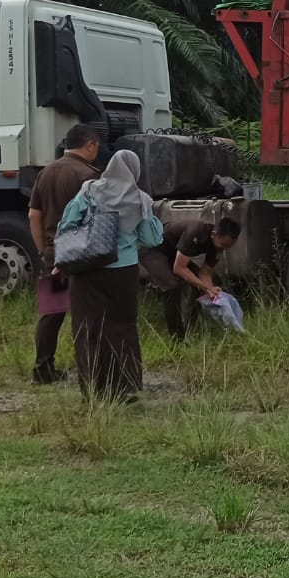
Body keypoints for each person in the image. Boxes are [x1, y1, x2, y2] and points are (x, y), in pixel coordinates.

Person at [58, 149, 164, 403]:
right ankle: (124, 389)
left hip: (87, 271)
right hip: (123, 273)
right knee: (122, 327)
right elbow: (153, 238)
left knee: (88, 328)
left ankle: (92, 390)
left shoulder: (89, 190)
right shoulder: (140, 199)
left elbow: (66, 225)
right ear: (135, 170)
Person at [25, 123, 101, 384]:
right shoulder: (89, 175)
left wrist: (43, 250)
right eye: (96, 147)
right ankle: (90, 371)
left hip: (53, 253)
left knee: (52, 313)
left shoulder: (45, 173)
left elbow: (34, 215)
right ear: (89, 144)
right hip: (83, 256)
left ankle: (42, 369)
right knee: (87, 312)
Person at [138, 215, 242, 341]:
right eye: (223, 244)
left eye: (228, 246)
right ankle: (177, 338)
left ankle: (191, 328)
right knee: (172, 286)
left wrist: (210, 291)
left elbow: (205, 273)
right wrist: (206, 287)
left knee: (200, 286)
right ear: (214, 234)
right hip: (153, 249)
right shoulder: (196, 232)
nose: (224, 249)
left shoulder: (217, 245)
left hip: (174, 254)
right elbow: (179, 268)